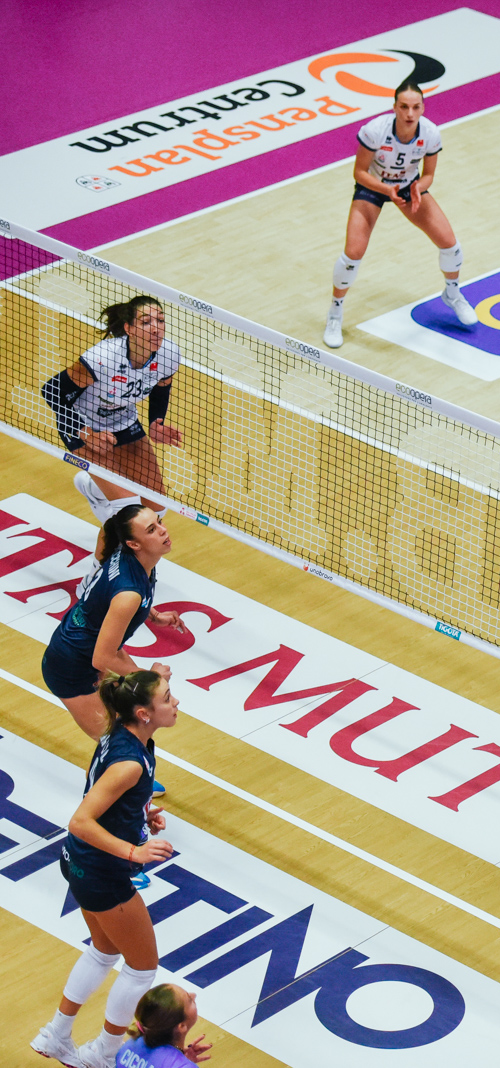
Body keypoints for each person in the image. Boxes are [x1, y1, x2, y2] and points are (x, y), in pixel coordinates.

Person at [31, 670, 180, 1068]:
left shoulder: (122, 737)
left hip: (80, 863)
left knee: (104, 950)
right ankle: (103, 1054)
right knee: (142, 968)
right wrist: (134, 850)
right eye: (167, 698)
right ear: (143, 713)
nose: (175, 702)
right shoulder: (129, 764)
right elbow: (80, 820)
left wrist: (140, 812)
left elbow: (96, 782)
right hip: (101, 870)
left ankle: (56, 1035)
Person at [323, 79, 476, 348]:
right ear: (394, 107)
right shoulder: (375, 131)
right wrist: (386, 188)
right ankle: (335, 313)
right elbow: (359, 172)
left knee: (450, 245)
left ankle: (452, 294)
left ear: (423, 108)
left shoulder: (430, 133)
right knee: (353, 254)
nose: (409, 114)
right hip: (372, 187)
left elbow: (428, 175)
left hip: (408, 188)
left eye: (415, 107)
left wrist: (417, 189)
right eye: (404, 107)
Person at [41, 504, 182, 796]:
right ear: (134, 543)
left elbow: (114, 599)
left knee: (124, 726)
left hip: (85, 650)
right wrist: (152, 679)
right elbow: (102, 657)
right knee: (118, 740)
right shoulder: (129, 593)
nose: (163, 530)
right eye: (152, 530)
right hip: (70, 667)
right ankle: (116, 799)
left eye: (158, 523)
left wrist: (154, 615)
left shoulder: (136, 561)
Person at [41, 297, 184, 524]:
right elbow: (52, 391)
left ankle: (95, 490)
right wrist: (85, 432)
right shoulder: (103, 358)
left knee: (156, 510)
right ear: (129, 329)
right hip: (81, 422)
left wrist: (156, 422)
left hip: (124, 421)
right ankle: (103, 560)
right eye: (146, 322)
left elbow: (161, 387)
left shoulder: (169, 354)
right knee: (129, 515)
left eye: (161, 320)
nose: (156, 328)